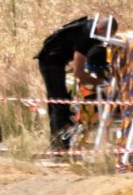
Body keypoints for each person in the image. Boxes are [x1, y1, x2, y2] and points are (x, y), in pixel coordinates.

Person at [34, 14, 117, 149]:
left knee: (57, 103)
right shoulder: (86, 35)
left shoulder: (92, 28)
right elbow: (78, 72)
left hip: (58, 61)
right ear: (101, 29)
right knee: (60, 104)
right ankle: (60, 147)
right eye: (106, 35)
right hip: (50, 61)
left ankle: (58, 143)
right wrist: (100, 82)